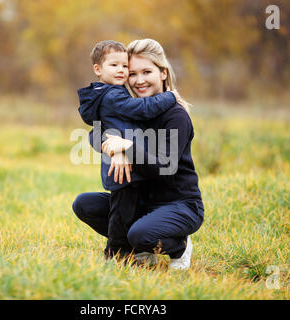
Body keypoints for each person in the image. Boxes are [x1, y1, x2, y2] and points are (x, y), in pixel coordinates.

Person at [73, 39, 204, 270]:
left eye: (147, 72)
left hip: (178, 203)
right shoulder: (132, 108)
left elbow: (164, 168)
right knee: (84, 204)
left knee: (139, 235)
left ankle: (178, 244)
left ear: (163, 73)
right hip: (143, 201)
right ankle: (141, 247)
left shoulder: (175, 116)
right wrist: (114, 150)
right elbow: (95, 132)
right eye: (132, 73)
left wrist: (127, 148)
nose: (139, 80)